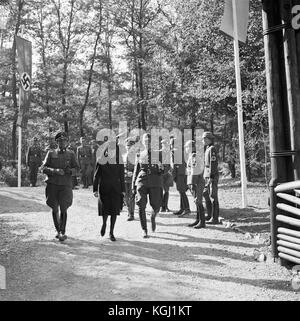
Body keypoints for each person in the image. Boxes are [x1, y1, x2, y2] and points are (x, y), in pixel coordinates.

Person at [41, 131, 80, 241]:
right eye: (60, 141)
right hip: (52, 185)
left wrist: (70, 171)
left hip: (65, 185)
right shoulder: (51, 153)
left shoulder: (71, 154)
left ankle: (62, 231)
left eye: (64, 141)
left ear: (67, 142)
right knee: (54, 208)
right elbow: (43, 168)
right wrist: (55, 171)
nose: (62, 143)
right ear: (57, 142)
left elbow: (78, 169)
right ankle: (58, 230)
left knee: (63, 208)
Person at [132, 133, 164, 238]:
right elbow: (136, 170)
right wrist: (133, 185)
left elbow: (166, 169)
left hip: (155, 181)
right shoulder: (140, 154)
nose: (147, 143)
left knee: (156, 205)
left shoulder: (159, 154)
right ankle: (144, 230)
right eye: (145, 141)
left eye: (149, 141)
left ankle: (153, 217)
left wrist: (161, 168)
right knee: (141, 204)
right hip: (142, 180)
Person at [93, 138, 125, 242]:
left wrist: (123, 190)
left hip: (116, 188)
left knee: (115, 211)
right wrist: (95, 189)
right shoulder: (101, 160)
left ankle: (111, 232)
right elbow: (96, 176)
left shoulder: (119, 160)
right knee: (105, 210)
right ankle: (104, 224)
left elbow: (121, 176)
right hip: (104, 188)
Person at [185, 140, 206, 229]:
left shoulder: (194, 156)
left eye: (187, 147)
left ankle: (202, 222)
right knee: (196, 201)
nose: (186, 149)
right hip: (194, 181)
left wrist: (193, 184)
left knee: (199, 201)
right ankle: (198, 220)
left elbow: (194, 171)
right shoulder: (192, 156)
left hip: (197, 182)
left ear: (192, 148)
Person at [202, 131, 220, 224]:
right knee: (206, 195)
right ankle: (209, 215)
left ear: (209, 139)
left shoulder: (212, 149)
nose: (203, 140)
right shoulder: (207, 148)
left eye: (205, 138)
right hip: (207, 175)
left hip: (211, 175)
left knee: (213, 196)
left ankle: (215, 218)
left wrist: (211, 176)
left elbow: (213, 163)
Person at [171, 137, 191, 216]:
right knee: (181, 191)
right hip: (182, 173)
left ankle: (186, 209)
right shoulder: (180, 151)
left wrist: (174, 176)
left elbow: (175, 165)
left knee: (182, 192)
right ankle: (182, 208)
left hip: (180, 174)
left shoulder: (175, 151)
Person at [122, 137, 137, 221]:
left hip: (132, 179)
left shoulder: (136, 156)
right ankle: (129, 210)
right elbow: (121, 166)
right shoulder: (123, 155)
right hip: (124, 178)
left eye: (130, 146)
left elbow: (138, 167)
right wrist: (124, 171)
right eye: (127, 146)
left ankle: (131, 214)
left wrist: (133, 172)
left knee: (131, 196)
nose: (128, 147)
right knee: (125, 196)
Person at [160, 139, 174, 212]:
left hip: (168, 173)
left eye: (166, 144)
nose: (165, 146)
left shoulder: (170, 153)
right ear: (162, 144)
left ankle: (166, 206)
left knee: (167, 191)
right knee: (161, 191)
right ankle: (162, 206)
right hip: (161, 173)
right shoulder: (159, 153)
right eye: (164, 144)